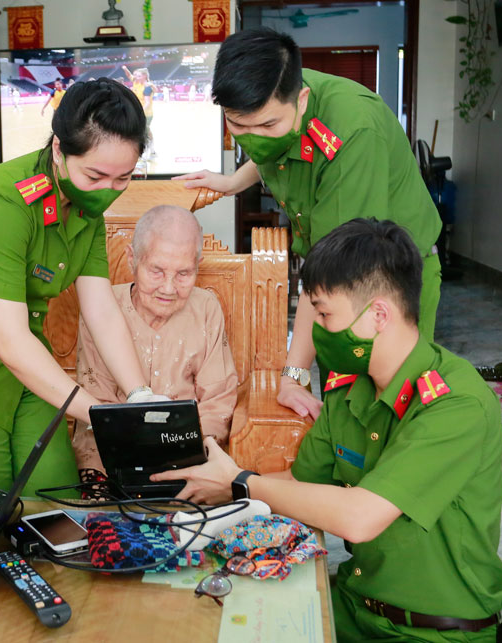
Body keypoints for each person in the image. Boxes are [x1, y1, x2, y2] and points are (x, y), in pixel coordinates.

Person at [152, 219, 502, 642]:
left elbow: (359, 517)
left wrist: (240, 481)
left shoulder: (455, 404)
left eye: (324, 313)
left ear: (378, 314)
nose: (315, 329)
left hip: (435, 631)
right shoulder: (349, 387)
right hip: (354, 608)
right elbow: (301, 482)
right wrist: (225, 487)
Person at [0, 78, 162, 496]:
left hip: (29, 373)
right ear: (59, 149)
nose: (106, 192)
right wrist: (102, 415)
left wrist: (138, 395)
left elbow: (101, 308)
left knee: (55, 498)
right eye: (95, 175)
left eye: (123, 178)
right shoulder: (1, 205)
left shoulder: (86, 208)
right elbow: (7, 339)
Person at [176, 28, 442, 422]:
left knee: (388, 414)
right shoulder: (277, 94)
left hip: (390, 279)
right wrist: (232, 182)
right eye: (238, 126)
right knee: (335, 414)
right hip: (336, 283)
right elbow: (272, 148)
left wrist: (293, 375)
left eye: (267, 126)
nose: (254, 138)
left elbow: (329, 272)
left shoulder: (352, 131)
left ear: (301, 100)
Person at [73, 205, 238, 479]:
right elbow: (96, 399)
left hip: (187, 455)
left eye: (184, 274)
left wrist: (195, 453)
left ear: (198, 266)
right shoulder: (102, 306)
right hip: (109, 454)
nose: (169, 288)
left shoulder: (206, 307)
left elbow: (217, 401)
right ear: (131, 259)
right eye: (157, 271)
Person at [122, 66, 155, 157]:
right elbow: (129, 75)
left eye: (138, 76)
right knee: (141, 131)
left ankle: (150, 150)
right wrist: (125, 69)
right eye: (135, 75)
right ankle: (148, 150)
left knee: (145, 131)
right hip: (137, 112)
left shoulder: (147, 87)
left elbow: (147, 102)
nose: (135, 77)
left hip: (146, 114)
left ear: (144, 76)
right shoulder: (136, 82)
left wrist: (140, 111)